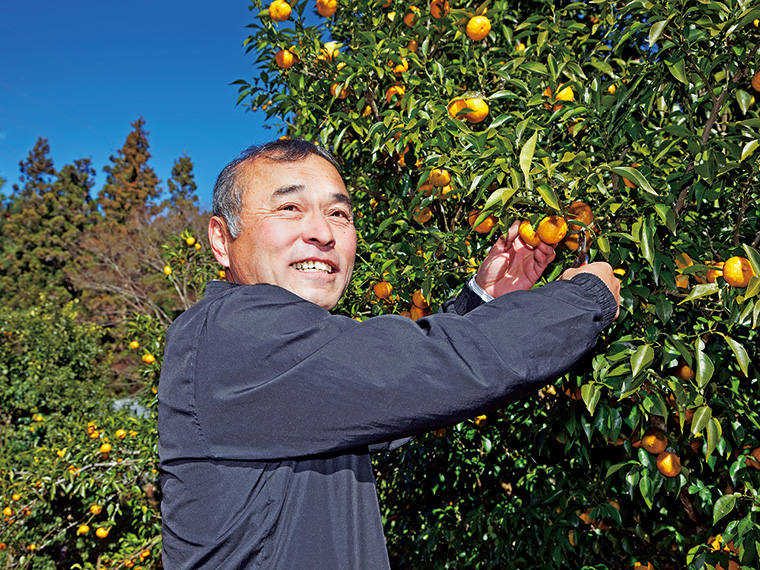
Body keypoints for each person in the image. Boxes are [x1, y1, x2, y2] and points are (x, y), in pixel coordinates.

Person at [158, 139, 620, 569]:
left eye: (339, 214)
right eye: (290, 207)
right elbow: (423, 369)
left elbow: (389, 399)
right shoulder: (233, 330)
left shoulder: (273, 356)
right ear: (221, 240)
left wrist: (482, 299)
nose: (322, 232)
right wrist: (584, 300)